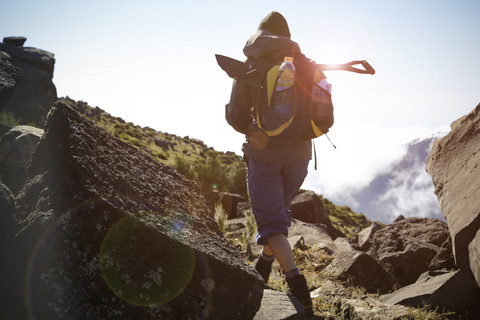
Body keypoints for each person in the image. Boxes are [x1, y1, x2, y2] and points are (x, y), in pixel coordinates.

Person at [225, 11, 319, 318]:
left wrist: (251, 127)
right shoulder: (305, 65)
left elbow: (237, 116)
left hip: (265, 157)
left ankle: (297, 285)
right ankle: (263, 265)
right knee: (276, 218)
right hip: (300, 158)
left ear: (260, 35)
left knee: (271, 223)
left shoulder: (253, 64)